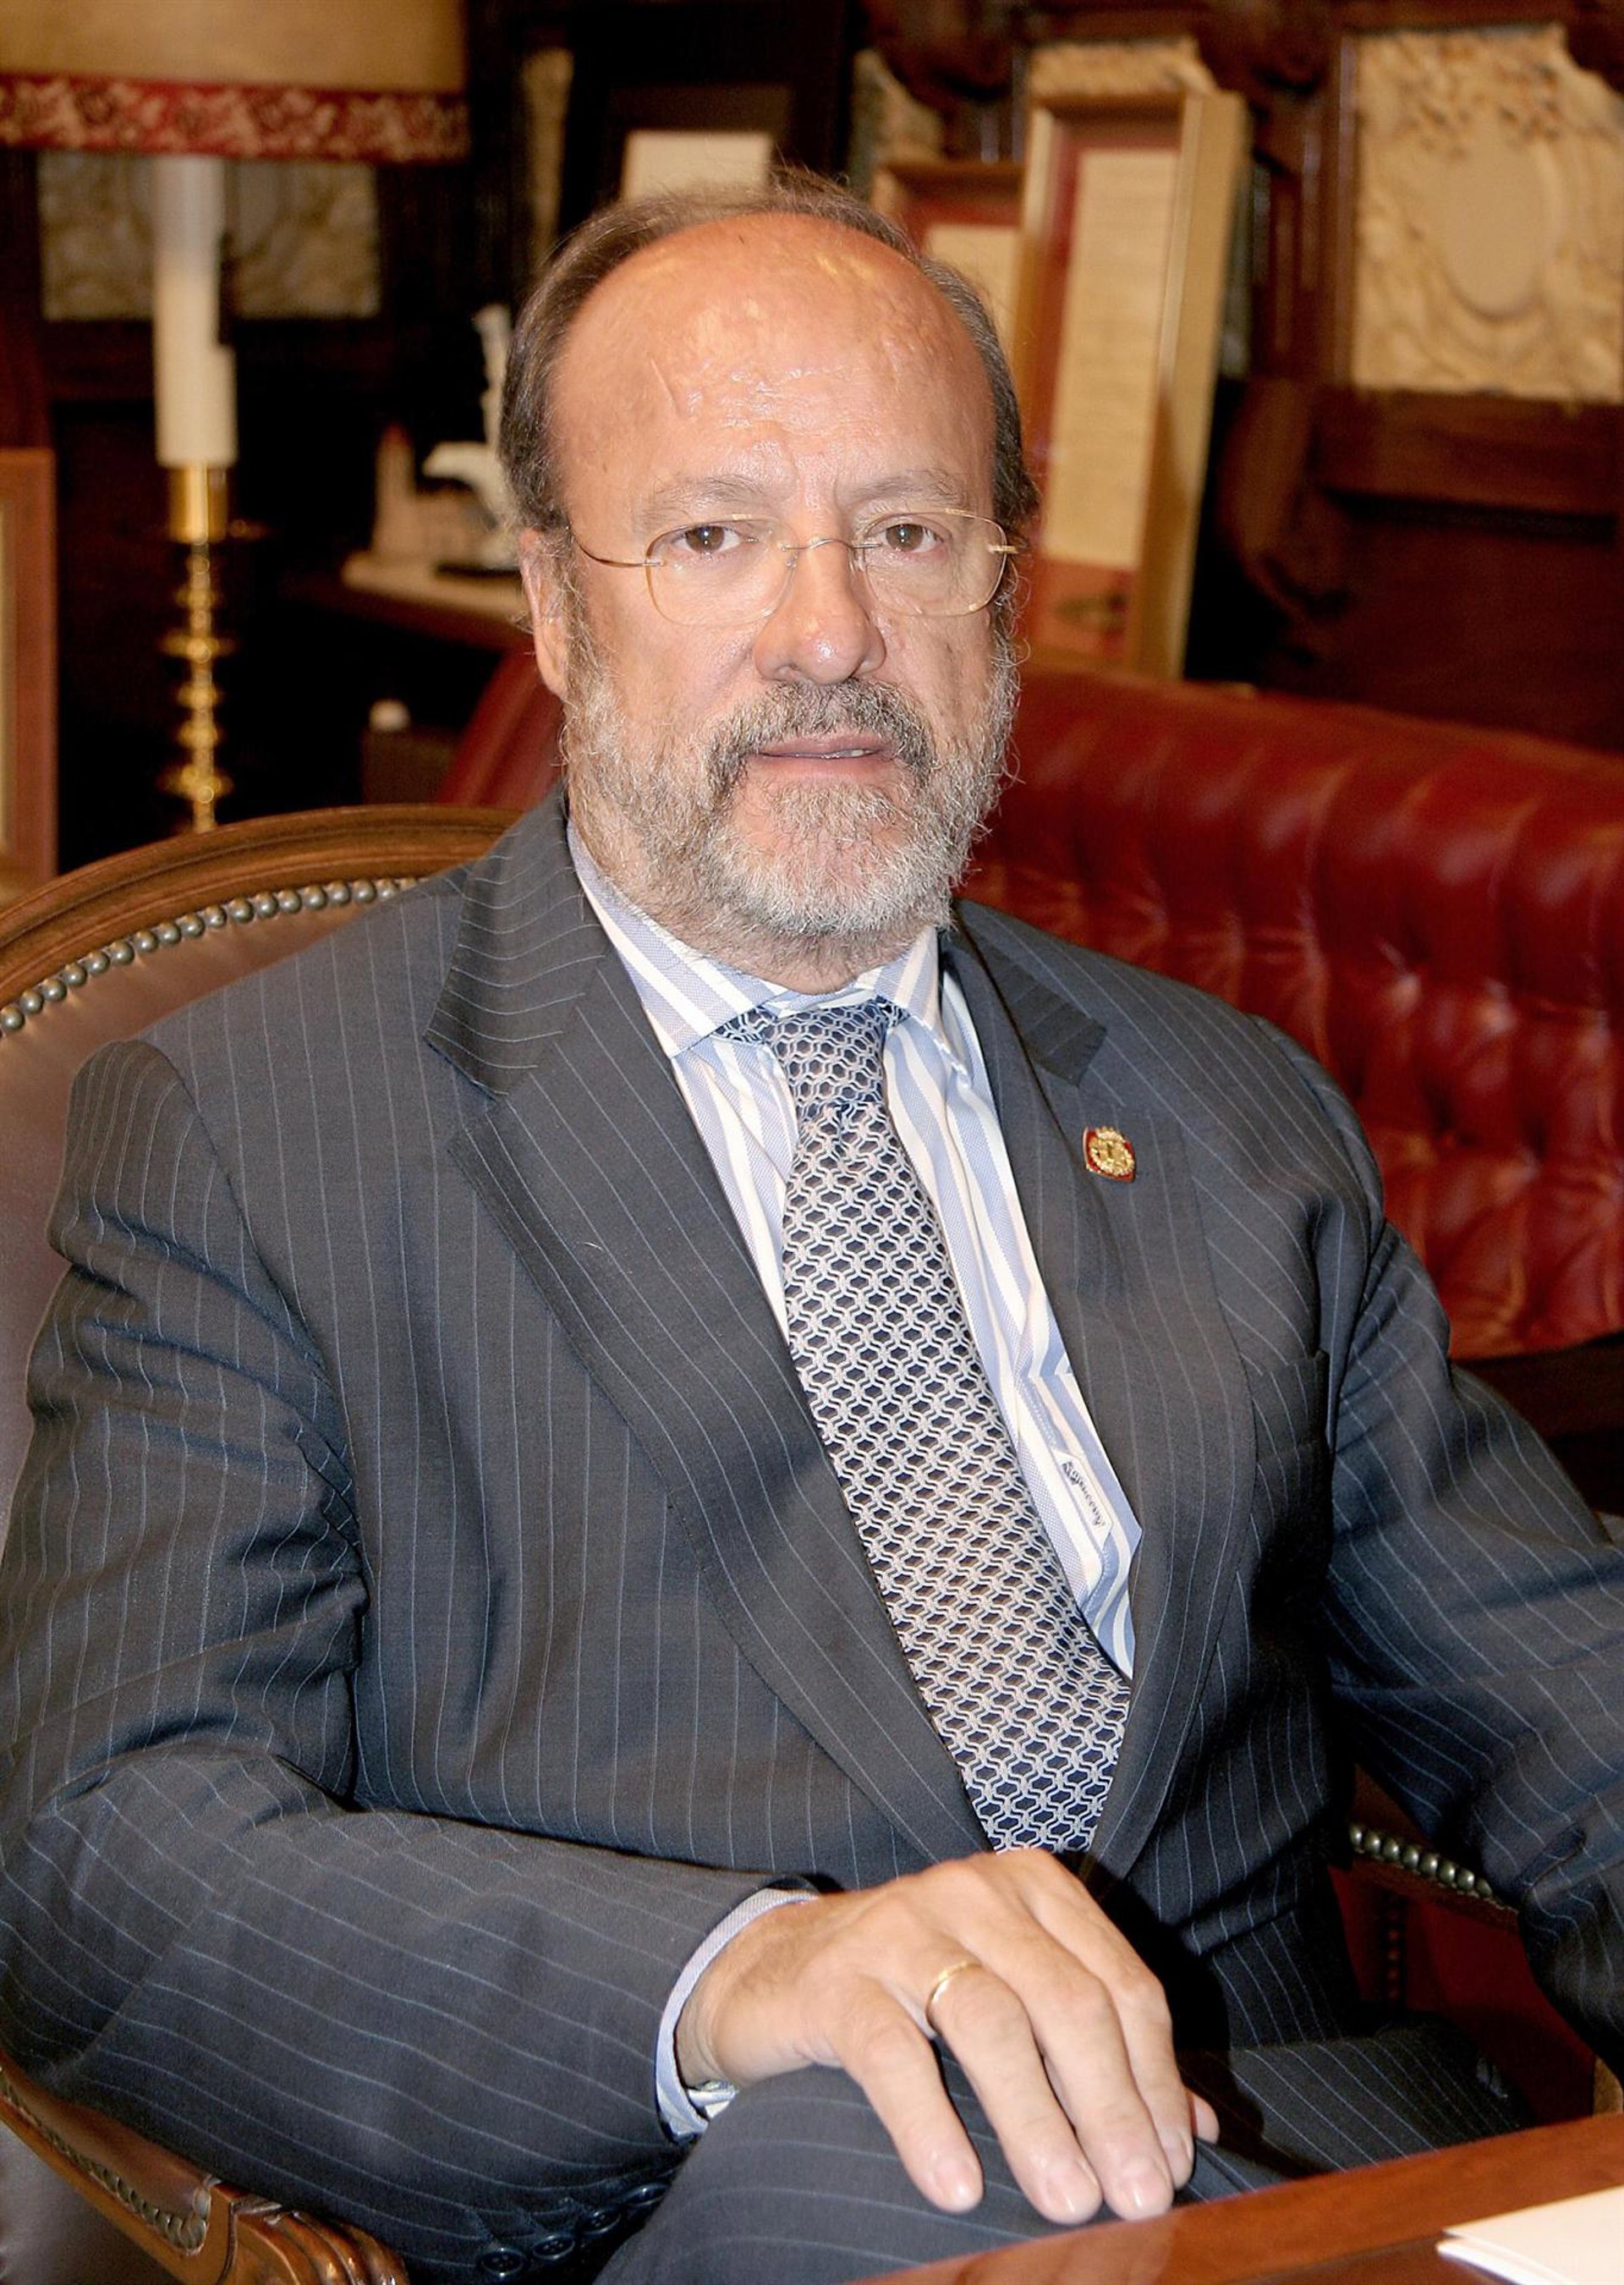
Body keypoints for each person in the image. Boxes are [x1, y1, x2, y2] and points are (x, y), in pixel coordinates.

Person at [2, 174, 1621, 2285]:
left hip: (1300, 2171)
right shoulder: (258, 1134)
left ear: (1004, 593)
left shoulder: (1223, 1108)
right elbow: (102, 1844)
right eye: (713, 535)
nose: (832, 632)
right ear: (556, 602)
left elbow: (1559, 1686)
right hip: (723, 2193)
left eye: (910, 533)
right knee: (882, 2140)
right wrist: (737, 1978)